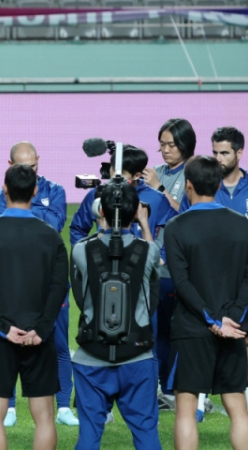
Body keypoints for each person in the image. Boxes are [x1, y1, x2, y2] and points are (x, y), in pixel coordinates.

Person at [67, 180, 171, 450]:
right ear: (134, 211)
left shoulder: (82, 250)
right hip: (137, 358)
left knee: (90, 433)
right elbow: (153, 295)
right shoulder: (149, 251)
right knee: (144, 432)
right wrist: (142, 224)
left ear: (100, 211)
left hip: (91, 358)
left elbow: (82, 298)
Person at [160, 156, 248, 450]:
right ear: (219, 184)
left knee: (186, 408)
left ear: (188, 185)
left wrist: (210, 319)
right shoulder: (243, 226)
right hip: (233, 330)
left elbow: (182, 282)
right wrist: (230, 317)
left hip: (192, 329)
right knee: (237, 406)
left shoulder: (175, 227)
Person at [0, 164, 66, 450]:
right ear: (34, 194)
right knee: (44, 415)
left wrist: (1, 325)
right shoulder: (51, 236)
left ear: (5, 189)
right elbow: (59, 287)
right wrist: (41, 329)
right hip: (39, 339)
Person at [73, 145, 179, 414]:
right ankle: (107, 402)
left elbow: (173, 227)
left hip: (142, 276)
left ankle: (155, 389)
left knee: (145, 332)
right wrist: (88, 256)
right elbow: (77, 228)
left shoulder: (154, 199)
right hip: (103, 274)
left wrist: (160, 256)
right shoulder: (98, 197)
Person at [0, 142, 74, 428]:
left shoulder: (57, 190)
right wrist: (37, 213)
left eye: (33, 166)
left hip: (48, 283)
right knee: (8, 345)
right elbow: (6, 228)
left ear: (39, 160)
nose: (29, 172)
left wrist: (25, 210)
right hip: (14, 281)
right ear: (9, 164)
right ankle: (11, 407)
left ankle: (64, 406)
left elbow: (56, 225)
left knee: (60, 344)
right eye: (21, 168)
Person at [201, 127, 248, 424]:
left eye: (224, 152)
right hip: (209, 275)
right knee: (206, 335)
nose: (218, 157)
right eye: (215, 151)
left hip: (245, 277)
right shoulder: (207, 186)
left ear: (239, 153)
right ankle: (201, 400)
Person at [143, 118, 195, 211]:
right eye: (162, 145)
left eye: (171, 145)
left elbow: (188, 215)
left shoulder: (194, 175)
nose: (166, 150)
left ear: (185, 144)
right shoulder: (154, 172)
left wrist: (158, 187)